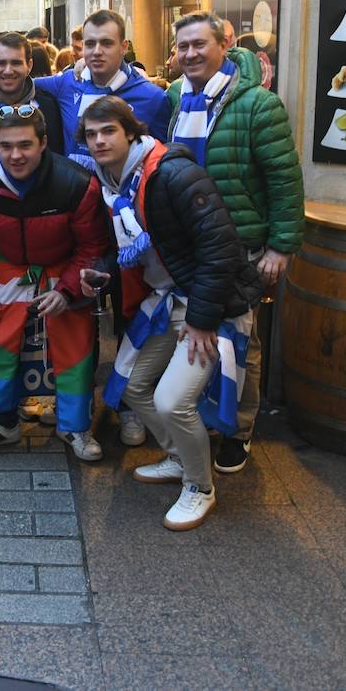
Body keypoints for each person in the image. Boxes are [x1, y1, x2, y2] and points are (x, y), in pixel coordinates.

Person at [81, 96, 261, 530]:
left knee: (172, 399)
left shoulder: (172, 173)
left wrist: (202, 320)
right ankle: (181, 459)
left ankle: (201, 487)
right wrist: (102, 272)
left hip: (210, 306)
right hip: (168, 300)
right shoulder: (113, 184)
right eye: (91, 134)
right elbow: (130, 250)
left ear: (131, 133)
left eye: (109, 131)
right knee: (131, 384)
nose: (100, 140)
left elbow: (220, 250)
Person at [163, 11, 304, 474]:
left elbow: (285, 181)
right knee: (192, 337)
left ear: (224, 44)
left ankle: (238, 431)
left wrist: (281, 246)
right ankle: (200, 422)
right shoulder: (175, 97)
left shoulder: (259, 106)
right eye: (182, 47)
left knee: (243, 342)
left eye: (199, 45)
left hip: (242, 247)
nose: (190, 54)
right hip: (188, 248)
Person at [0, 107, 108, 460]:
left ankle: (74, 426)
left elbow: (93, 245)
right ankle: (2, 423)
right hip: (8, 265)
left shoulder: (75, 182)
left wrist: (68, 292)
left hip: (64, 266)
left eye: (25, 145)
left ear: (43, 142)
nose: (15, 155)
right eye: (6, 146)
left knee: (75, 348)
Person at [0, 10, 172, 172]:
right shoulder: (67, 82)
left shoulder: (152, 98)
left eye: (107, 43)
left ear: (124, 47)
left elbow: (162, 160)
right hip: (75, 200)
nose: (97, 51)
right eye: (90, 44)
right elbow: (19, 80)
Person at [0, 32, 65, 158]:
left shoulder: (48, 106)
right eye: (1, 63)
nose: (8, 71)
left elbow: (55, 157)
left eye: (16, 63)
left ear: (29, 66)